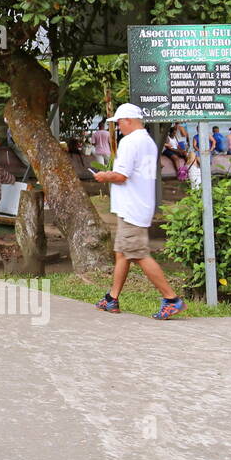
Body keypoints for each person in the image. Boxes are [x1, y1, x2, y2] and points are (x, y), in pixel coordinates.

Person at [92, 103, 185, 319]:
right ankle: (112, 298)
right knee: (122, 253)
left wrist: (105, 175)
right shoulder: (147, 142)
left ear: (128, 120)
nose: (118, 127)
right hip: (138, 205)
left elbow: (121, 175)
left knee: (139, 254)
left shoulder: (130, 142)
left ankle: (171, 299)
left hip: (132, 207)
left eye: (119, 123)